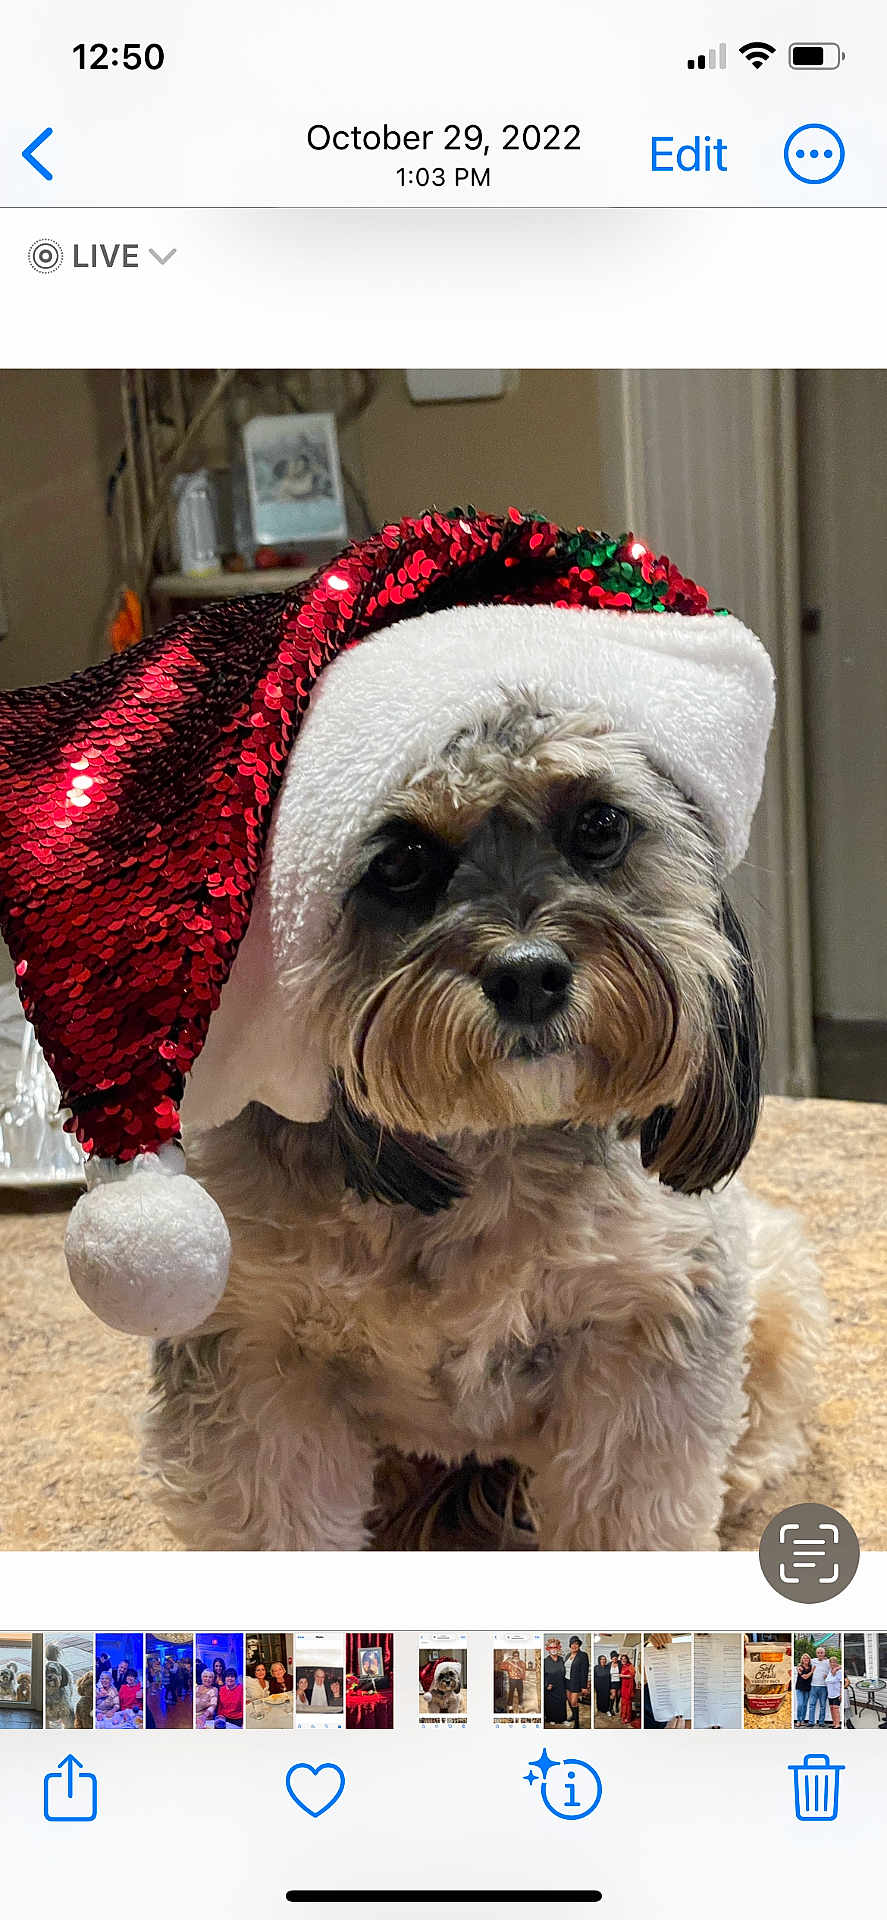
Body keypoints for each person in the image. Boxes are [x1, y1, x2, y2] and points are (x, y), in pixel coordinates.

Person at [566, 1635, 590, 1731]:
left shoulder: (583, 1655)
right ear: (570, 1645)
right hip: (566, 1681)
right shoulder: (568, 1655)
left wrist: (584, 1687)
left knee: (574, 1702)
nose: (574, 1645)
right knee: (568, 1700)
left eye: (577, 1644)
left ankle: (577, 1723)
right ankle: (573, 1715)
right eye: (573, 1643)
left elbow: (585, 1671)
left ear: (579, 1645)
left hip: (575, 1682)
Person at [544, 1641, 567, 1726]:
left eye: (555, 1647)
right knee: (551, 1704)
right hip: (550, 1686)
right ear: (548, 1649)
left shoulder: (561, 1659)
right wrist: (546, 1684)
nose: (553, 1649)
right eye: (551, 1648)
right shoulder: (545, 1661)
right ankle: (551, 1718)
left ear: (558, 1648)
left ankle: (563, 1719)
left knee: (562, 1703)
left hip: (561, 1685)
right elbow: (543, 1675)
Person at [809, 1646, 831, 1728]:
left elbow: (837, 1666)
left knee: (823, 1706)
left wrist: (828, 1676)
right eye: (818, 1653)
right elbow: (802, 1662)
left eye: (821, 1653)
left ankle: (821, 1722)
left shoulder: (828, 1662)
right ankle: (811, 1722)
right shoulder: (812, 1661)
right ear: (816, 1653)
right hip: (813, 1686)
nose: (820, 1654)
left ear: (824, 1653)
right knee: (812, 1705)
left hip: (824, 1687)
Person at [794, 1651, 814, 1725]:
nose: (805, 1659)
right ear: (802, 1659)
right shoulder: (799, 1667)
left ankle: (802, 1720)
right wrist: (812, 1671)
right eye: (804, 1658)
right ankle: (798, 1720)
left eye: (807, 1658)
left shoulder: (811, 1667)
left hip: (808, 1688)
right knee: (800, 1704)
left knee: (805, 1705)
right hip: (799, 1688)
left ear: (809, 1660)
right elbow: (804, 1677)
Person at [593, 1655, 613, 1722]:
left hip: (607, 1685)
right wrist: (594, 1686)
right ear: (599, 1660)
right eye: (602, 1659)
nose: (603, 1660)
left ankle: (607, 1710)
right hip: (599, 1685)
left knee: (606, 1698)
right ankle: (600, 1709)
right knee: (599, 1698)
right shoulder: (596, 1667)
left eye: (604, 1659)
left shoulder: (608, 1667)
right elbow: (594, 1677)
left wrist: (611, 1687)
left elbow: (610, 1677)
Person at [827, 1656, 843, 1729]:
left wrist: (841, 1694)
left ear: (836, 1663)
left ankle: (838, 1725)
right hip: (830, 1694)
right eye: (831, 1662)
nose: (832, 1663)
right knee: (831, 1708)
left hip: (837, 1694)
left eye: (834, 1662)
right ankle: (834, 1723)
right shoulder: (829, 1671)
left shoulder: (839, 1672)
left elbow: (842, 1683)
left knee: (836, 1709)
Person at [619, 1654, 636, 1726]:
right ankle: (623, 1715)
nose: (623, 1660)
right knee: (623, 1701)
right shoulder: (623, 1666)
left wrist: (623, 1676)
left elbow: (632, 1675)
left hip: (629, 1686)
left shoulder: (630, 1666)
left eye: (625, 1659)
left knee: (628, 1702)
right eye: (622, 1659)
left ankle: (627, 1717)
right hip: (623, 1685)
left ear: (627, 1659)